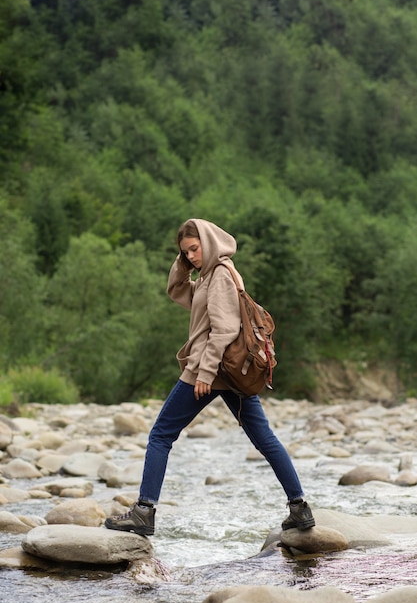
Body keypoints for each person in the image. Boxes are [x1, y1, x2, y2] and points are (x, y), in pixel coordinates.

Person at [105, 219, 315, 536]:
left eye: (194, 248)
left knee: (160, 435)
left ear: (209, 241)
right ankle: (299, 508)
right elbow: (176, 290)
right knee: (264, 439)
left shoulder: (218, 276)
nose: (190, 256)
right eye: (185, 252)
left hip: (211, 370)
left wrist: (204, 372)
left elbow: (226, 329)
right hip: (231, 374)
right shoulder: (207, 277)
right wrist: (182, 262)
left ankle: (144, 511)